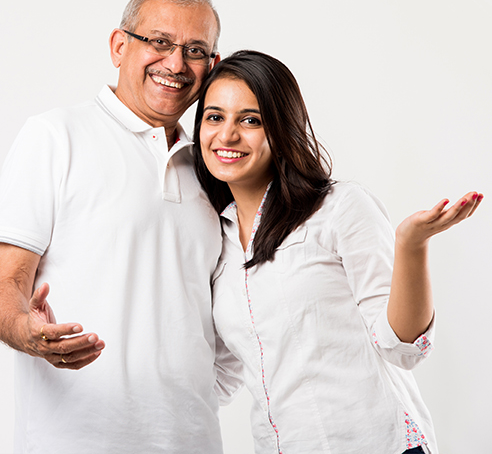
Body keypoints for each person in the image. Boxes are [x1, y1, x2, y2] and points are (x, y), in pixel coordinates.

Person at [0, 0, 241, 453]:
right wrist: (28, 333)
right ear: (119, 46)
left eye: (195, 50)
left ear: (212, 65)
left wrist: (197, 395)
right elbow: (5, 283)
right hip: (72, 441)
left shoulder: (216, 165)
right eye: (159, 41)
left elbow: (230, 312)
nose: (176, 64)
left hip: (193, 441)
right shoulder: (55, 137)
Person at [193, 50, 483, 454]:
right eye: (214, 117)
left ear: (281, 128)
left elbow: (401, 346)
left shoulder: (338, 208)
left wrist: (411, 245)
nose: (227, 135)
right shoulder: (213, 239)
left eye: (251, 120)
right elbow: (221, 377)